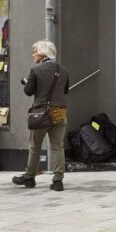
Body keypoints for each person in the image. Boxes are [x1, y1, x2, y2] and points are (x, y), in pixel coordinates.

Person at [12, 40, 71, 191]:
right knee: (58, 147)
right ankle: (58, 181)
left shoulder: (36, 70)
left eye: (35, 52)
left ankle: (29, 178)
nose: (33, 55)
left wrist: (26, 82)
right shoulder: (63, 69)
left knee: (35, 146)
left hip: (41, 114)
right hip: (59, 112)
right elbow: (65, 91)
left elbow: (28, 91)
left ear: (42, 53)